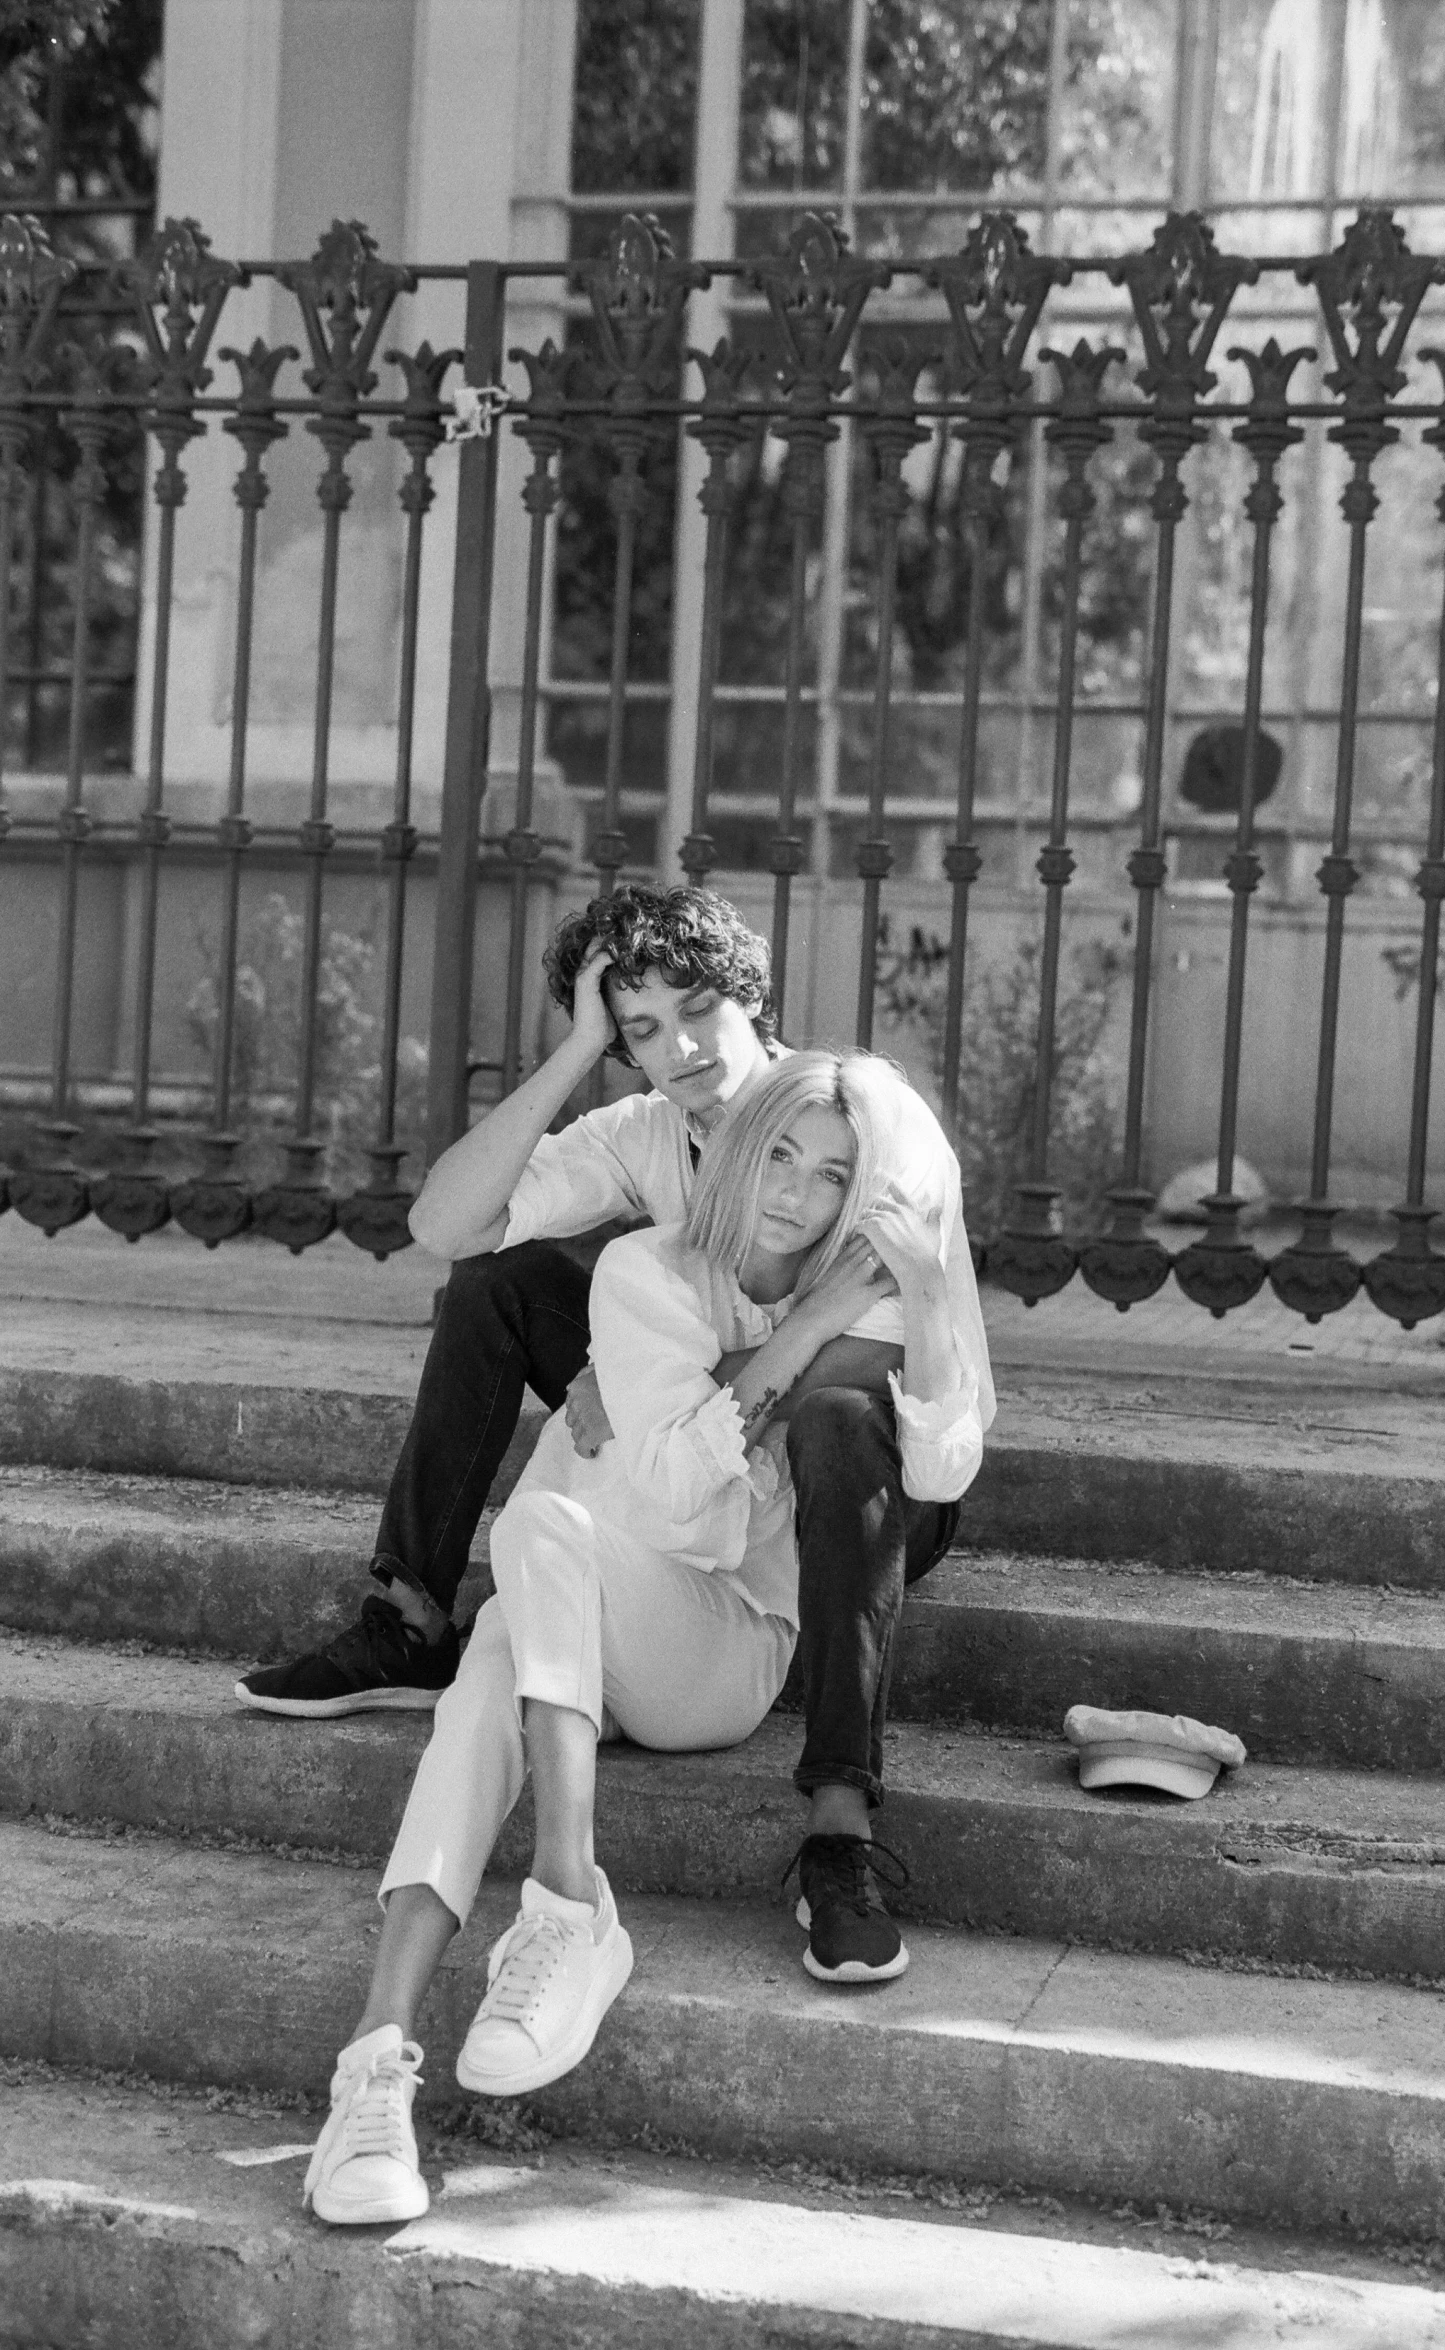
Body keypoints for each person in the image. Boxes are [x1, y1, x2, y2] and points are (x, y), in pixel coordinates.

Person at [237, 883, 996, 1982]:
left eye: (696, 1007)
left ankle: (839, 1826)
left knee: (829, 1422)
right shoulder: (645, 1129)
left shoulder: (861, 1118)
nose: (679, 1046)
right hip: (698, 1458)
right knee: (492, 1284)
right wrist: (577, 1050)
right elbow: (446, 1222)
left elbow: (885, 1339)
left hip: (872, 1480)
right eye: (642, 1028)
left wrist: (661, 1373)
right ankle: (409, 1616)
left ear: (751, 995)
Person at [303, 1051, 982, 2227]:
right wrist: (796, 1335)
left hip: (711, 1650)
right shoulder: (642, 1273)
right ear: (729, 1149)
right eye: (776, 1153)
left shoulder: (873, 1290)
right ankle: (374, 2067)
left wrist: (918, 1298)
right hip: (574, 1607)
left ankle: (569, 1899)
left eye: (832, 1175)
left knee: (542, 1534)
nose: (796, 1193)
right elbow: (669, 1492)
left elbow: (936, 1471)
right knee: (494, 1659)